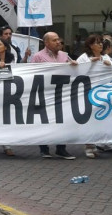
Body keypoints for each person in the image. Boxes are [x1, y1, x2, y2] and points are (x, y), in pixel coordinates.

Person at [30, 32, 78, 160]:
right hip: (44, 95)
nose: (58, 42)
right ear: (46, 43)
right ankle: (44, 149)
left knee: (62, 121)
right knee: (44, 122)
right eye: (54, 40)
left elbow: (73, 71)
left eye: (59, 40)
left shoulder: (65, 56)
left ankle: (61, 149)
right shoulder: (38, 57)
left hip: (61, 95)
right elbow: (31, 75)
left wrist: (75, 66)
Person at [76, 34, 112, 158]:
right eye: (97, 42)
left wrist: (111, 65)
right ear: (90, 45)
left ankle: (102, 142)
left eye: (101, 42)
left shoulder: (106, 57)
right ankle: (89, 146)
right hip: (88, 92)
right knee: (90, 120)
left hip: (104, 92)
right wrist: (89, 63)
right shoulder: (84, 57)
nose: (100, 45)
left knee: (102, 118)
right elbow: (76, 71)